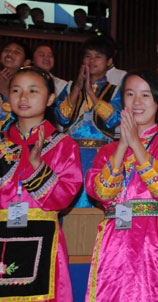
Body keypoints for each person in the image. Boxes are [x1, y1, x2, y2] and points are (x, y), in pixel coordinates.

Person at [84, 71, 158, 302]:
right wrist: (122, 145)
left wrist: (136, 144)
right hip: (114, 239)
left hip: (153, 237)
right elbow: (100, 192)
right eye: (130, 94)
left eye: (145, 95)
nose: (137, 101)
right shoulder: (107, 150)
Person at [0, 66, 82, 302]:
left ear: (49, 99)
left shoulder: (63, 145)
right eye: (16, 90)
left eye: (32, 91)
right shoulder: (2, 144)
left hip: (43, 239)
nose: (23, 97)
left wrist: (38, 168)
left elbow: (65, 196)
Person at [54, 36, 122, 208]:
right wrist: (78, 87)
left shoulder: (116, 91)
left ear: (109, 62)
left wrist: (90, 93)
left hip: (101, 157)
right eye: (87, 56)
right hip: (71, 157)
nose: (91, 61)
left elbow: (112, 119)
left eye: (97, 56)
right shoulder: (69, 88)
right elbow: (62, 117)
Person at [0, 41, 31, 129]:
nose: (10, 53)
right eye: (6, 50)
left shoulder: (29, 85)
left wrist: (5, 92)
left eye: (17, 52)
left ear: (26, 62)